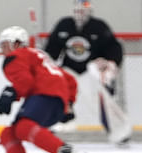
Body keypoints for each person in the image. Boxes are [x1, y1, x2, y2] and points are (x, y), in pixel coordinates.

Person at [0, 25, 87, 153]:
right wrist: (69, 104)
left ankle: (67, 152)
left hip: (44, 96)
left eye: (5, 45)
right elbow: (70, 80)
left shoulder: (17, 55)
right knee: (9, 133)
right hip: (56, 101)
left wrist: (11, 93)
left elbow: (25, 82)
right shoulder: (42, 57)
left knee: (22, 128)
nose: (2, 50)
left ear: (16, 43)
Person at [44, 0, 130, 144]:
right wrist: (47, 58)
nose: (80, 13)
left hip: (89, 71)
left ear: (89, 11)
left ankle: (120, 132)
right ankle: (54, 123)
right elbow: (52, 48)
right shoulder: (64, 24)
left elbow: (114, 47)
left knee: (101, 101)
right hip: (69, 70)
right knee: (55, 92)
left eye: (83, 10)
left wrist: (110, 62)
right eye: (77, 10)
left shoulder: (99, 26)